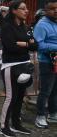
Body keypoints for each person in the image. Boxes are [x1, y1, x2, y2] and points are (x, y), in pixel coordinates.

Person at [0, 0, 38, 137]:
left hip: (25, 65)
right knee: (11, 97)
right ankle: (3, 126)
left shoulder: (26, 27)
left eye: (26, 8)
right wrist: (27, 44)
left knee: (20, 96)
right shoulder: (7, 27)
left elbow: (35, 46)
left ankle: (16, 124)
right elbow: (10, 47)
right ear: (14, 10)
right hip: (11, 66)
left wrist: (23, 43)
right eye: (23, 8)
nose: (26, 11)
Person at [33, 0, 57, 128]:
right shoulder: (42, 25)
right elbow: (39, 45)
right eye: (52, 8)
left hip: (56, 61)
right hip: (46, 62)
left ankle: (53, 114)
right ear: (46, 10)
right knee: (45, 91)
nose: (56, 10)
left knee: (55, 90)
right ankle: (40, 116)